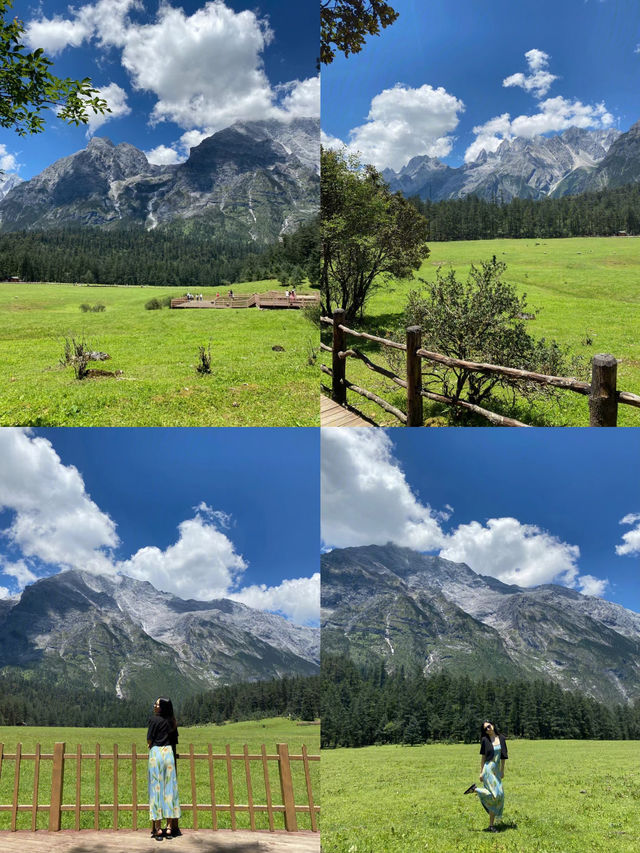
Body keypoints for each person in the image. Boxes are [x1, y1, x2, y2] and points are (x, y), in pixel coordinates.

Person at [464, 720, 508, 832]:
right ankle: (476, 790)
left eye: (488, 726)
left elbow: (503, 756)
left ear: (493, 725)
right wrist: (481, 772)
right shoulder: (485, 740)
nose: (488, 729)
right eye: (485, 729)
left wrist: (502, 770)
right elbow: (483, 757)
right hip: (488, 769)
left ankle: (491, 825)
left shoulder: (502, 738)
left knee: (500, 795)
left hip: (497, 771)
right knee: (495, 794)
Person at [147, 697, 181, 840]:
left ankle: (157, 829)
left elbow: (149, 739)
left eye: (157, 704)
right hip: (168, 753)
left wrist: (151, 745)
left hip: (156, 753)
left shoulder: (153, 720)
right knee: (169, 790)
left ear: (162, 708)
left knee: (156, 790)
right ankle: (169, 828)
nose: (154, 705)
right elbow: (175, 741)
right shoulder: (172, 722)